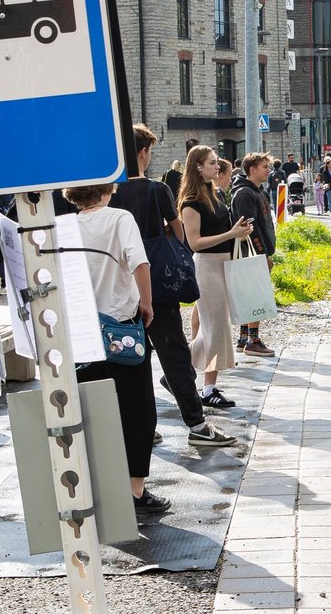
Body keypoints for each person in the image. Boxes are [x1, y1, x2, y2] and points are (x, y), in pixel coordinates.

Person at [110, 125, 236, 447]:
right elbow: (180, 236)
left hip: (117, 287)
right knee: (175, 355)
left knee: (129, 359)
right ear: (143, 152)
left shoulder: (109, 192)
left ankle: (141, 427)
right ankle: (196, 426)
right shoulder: (156, 190)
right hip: (156, 285)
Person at [63, 182, 169, 514]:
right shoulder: (119, 218)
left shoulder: (66, 227)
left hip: (82, 332)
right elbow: (139, 263)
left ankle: (98, 489)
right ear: (107, 189)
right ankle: (134, 492)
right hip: (120, 327)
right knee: (137, 411)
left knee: (92, 413)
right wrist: (147, 303)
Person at [180, 145, 253, 409]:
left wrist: (239, 231)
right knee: (215, 328)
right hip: (207, 266)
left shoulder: (215, 193)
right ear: (198, 166)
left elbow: (222, 229)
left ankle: (179, 373)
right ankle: (207, 388)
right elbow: (195, 242)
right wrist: (230, 234)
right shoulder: (190, 201)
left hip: (222, 263)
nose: (217, 167)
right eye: (212, 163)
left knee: (214, 329)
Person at [230, 153, 278, 357]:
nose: (269, 170)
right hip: (250, 252)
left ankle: (243, 338)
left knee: (250, 293)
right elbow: (250, 226)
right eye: (264, 167)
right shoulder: (244, 193)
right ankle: (253, 340)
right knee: (255, 295)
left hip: (254, 251)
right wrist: (262, 254)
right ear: (252, 170)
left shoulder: (255, 191)